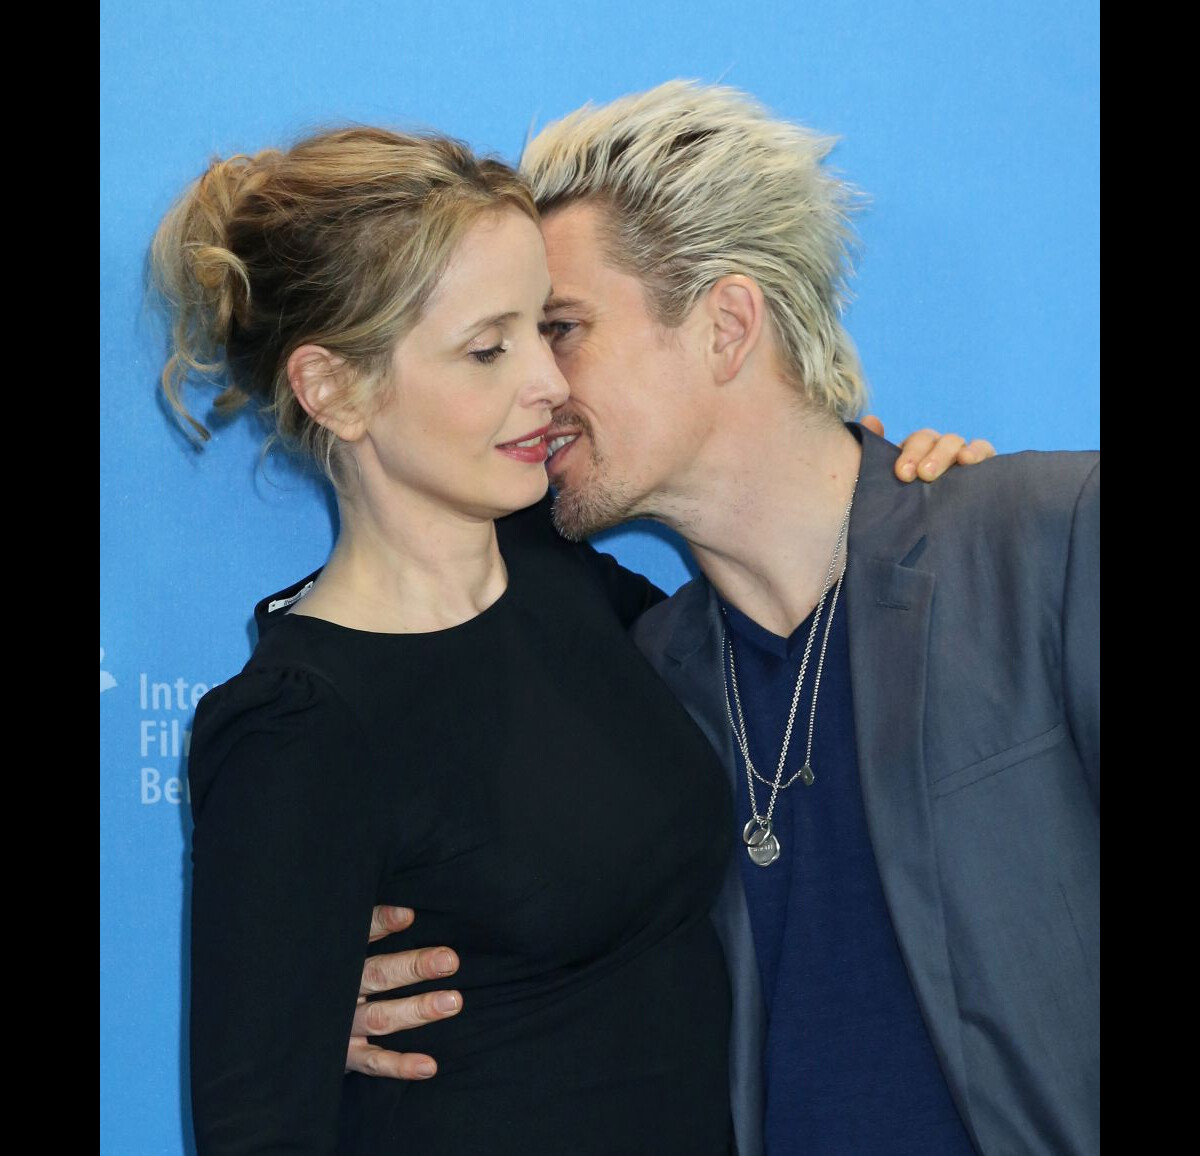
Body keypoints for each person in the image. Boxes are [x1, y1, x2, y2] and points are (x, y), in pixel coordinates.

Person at [353, 82, 1099, 1155]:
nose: (533, 383)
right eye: (505, 338)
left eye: (562, 330)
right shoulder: (641, 681)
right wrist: (330, 997)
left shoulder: (1048, 542)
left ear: (728, 325)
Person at [156, 125, 742, 1154]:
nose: (550, 385)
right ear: (333, 388)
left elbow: (779, 673)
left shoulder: (560, 569)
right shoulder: (299, 725)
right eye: (487, 348)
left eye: (545, 330)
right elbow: (259, 1126)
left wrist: (898, 502)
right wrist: (298, 1008)